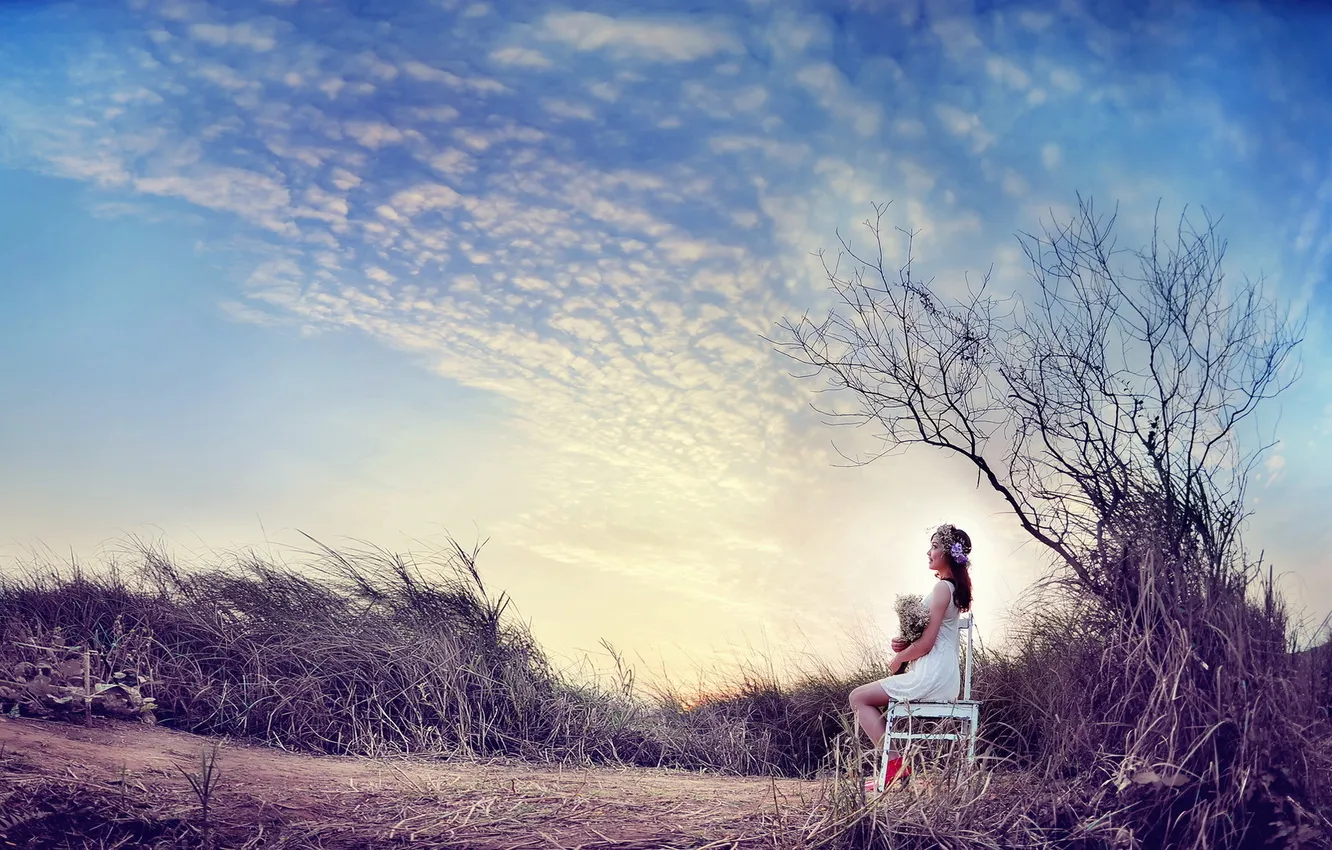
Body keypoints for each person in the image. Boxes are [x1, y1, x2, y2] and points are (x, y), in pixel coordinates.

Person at [848, 524, 974, 791]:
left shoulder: (942, 588)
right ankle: (895, 767)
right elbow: (934, 636)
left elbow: (927, 644)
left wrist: (900, 658)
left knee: (857, 697)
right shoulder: (949, 589)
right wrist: (904, 643)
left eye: (935, 546)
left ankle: (895, 767)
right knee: (864, 698)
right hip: (944, 675)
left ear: (949, 553)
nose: (929, 552)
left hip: (932, 675)